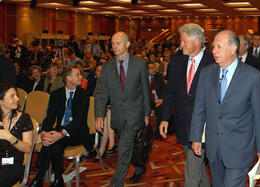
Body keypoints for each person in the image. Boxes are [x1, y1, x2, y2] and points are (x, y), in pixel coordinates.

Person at [189, 30, 260, 187]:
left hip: (239, 147)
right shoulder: (207, 73)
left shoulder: (253, 77)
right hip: (213, 146)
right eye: (213, 47)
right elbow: (199, 107)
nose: (213, 51)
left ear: (233, 49)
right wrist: (196, 137)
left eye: (219, 47)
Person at [160, 23, 214, 187]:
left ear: (197, 41)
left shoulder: (213, 62)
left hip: (204, 127)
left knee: (191, 170)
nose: (180, 45)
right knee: (196, 167)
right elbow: (170, 92)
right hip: (182, 124)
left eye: (183, 41)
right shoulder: (177, 61)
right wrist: (164, 118)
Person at [94, 31, 150, 187]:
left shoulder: (140, 64)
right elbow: (101, 93)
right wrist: (99, 115)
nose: (114, 47)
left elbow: (145, 90)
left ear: (127, 44)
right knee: (130, 147)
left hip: (135, 114)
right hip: (118, 117)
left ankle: (116, 184)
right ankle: (139, 167)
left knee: (124, 150)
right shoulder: (107, 67)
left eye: (118, 43)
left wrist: (147, 113)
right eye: (112, 44)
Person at [29, 66, 95, 187]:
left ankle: (40, 176)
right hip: (61, 129)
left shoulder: (83, 94)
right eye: (77, 75)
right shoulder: (56, 94)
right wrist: (44, 132)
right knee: (53, 144)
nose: (81, 77)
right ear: (68, 78)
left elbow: (79, 120)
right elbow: (49, 118)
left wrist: (61, 133)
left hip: (78, 132)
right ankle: (58, 179)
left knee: (53, 142)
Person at [0, 83, 33, 186]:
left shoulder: (24, 118)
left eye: (16, 95)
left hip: (12, 163)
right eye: (12, 96)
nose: (18, 99)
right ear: (1, 101)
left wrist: (10, 137)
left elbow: (28, 148)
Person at [148, 62, 165, 141]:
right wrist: (154, 100)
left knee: (161, 109)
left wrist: (161, 100)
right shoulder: (143, 77)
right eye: (151, 68)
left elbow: (164, 89)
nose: (154, 69)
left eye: (154, 67)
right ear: (146, 70)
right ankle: (147, 134)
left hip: (158, 101)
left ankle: (158, 133)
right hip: (147, 101)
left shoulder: (159, 76)